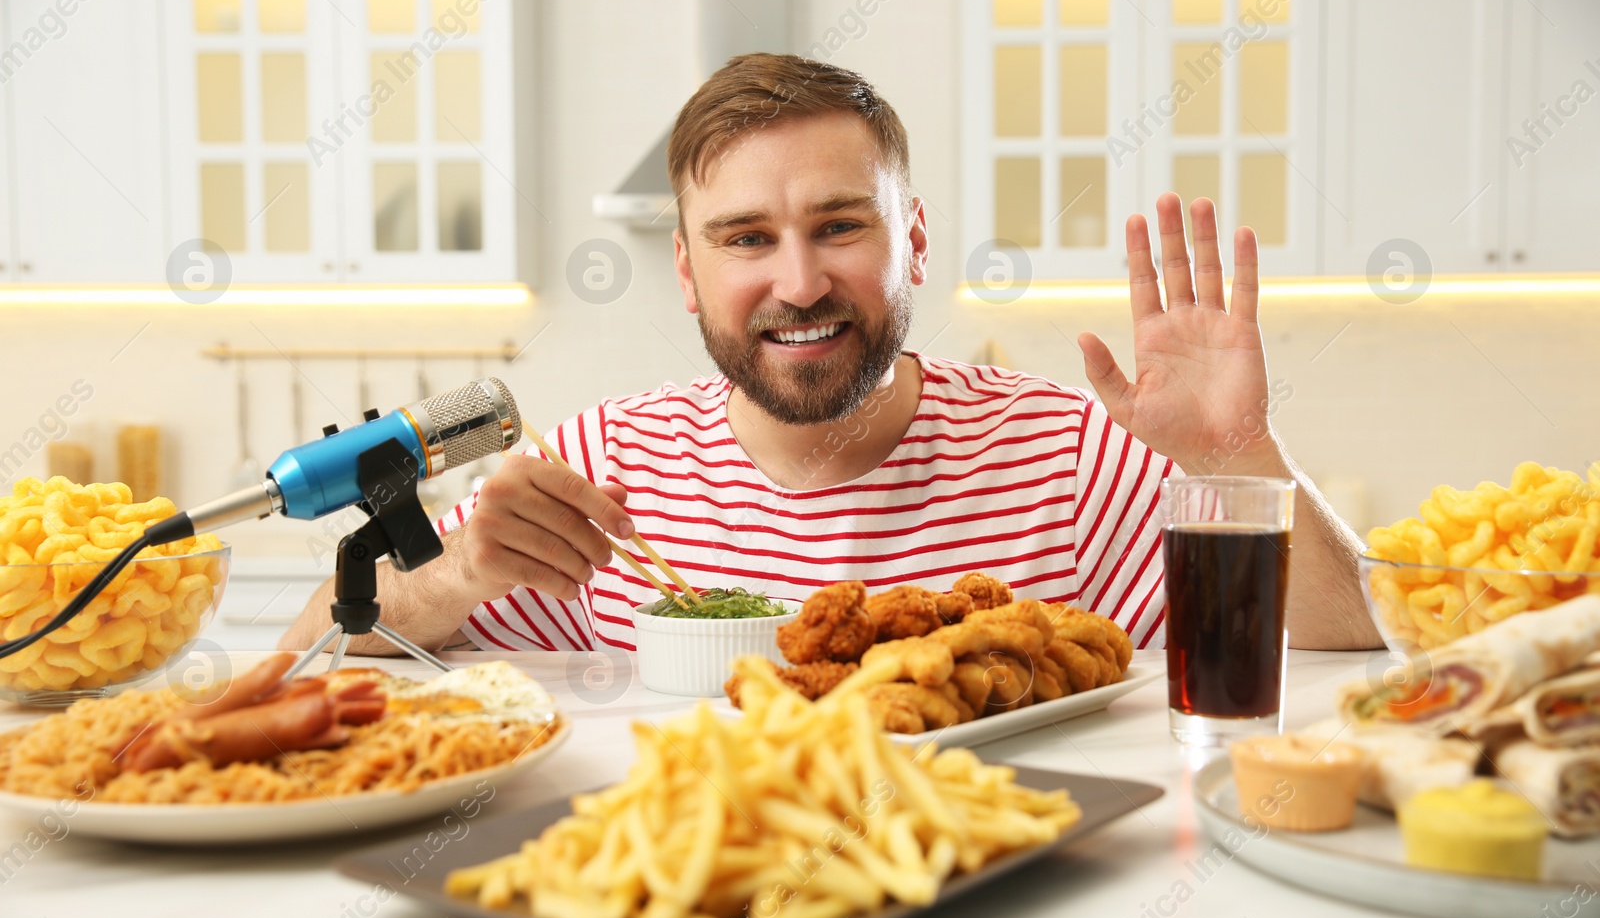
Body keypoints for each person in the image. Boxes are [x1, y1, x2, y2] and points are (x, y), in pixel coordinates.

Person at [281, 53, 1379, 658]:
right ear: (685, 270)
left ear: (912, 241)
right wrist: (466, 573)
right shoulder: (603, 463)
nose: (798, 281)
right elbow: (323, 645)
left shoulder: (1073, 453)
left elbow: (1351, 634)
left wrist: (1240, 452)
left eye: (839, 226)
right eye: (746, 238)